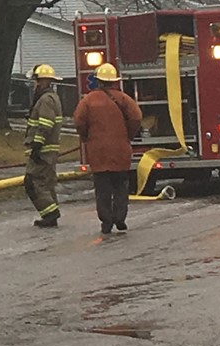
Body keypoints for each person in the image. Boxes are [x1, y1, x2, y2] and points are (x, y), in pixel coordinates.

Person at [73, 62, 143, 236]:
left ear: (98, 81)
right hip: (120, 151)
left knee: (103, 188)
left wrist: (86, 137)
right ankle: (120, 217)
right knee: (120, 186)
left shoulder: (88, 100)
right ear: (114, 81)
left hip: (98, 153)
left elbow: (79, 121)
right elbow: (136, 118)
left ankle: (106, 221)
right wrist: (128, 135)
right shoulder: (124, 99)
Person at [24, 63, 65, 228]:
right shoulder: (51, 97)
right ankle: (51, 214)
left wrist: (37, 145)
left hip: (43, 150)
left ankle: (49, 213)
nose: (34, 84)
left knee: (32, 181)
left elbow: (45, 124)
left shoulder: (46, 100)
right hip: (48, 149)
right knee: (46, 182)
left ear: (41, 81)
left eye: (35, 81)